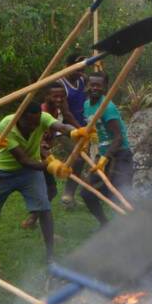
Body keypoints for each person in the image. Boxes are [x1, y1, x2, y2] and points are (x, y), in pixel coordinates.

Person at [0, 105, 77, 262]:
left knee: (44, 208)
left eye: (36, 124)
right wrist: (51, 166)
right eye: (30, 124)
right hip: (5, 172)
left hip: (31, 174)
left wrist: (76, 132)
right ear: (20, 118)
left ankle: (50, 254)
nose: (34, 127)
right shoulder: (6, 125)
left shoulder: (42, 117)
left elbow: (62, 126)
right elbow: (23, 160)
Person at [82, 72, 134, 226]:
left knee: (122, 195)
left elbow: (118, 137)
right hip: (101, 156)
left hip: (119, 155)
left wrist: (106, 158)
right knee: (87, 193)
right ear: (87, 86)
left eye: (99, 85)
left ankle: (129, 228)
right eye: (92, 84)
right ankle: (105, 225)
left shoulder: (108, 107)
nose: (95, 88)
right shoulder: (86, 105)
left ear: (105, 88)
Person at [22, 82, 74, 229]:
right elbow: (36, 139)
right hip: (34, 157)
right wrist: (49, 158)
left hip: (42, 156)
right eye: (55, 96)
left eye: (62, 96)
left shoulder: (55, 110)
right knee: (46, 190)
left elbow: (63, 125)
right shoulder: (41, 112)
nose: (59, 99)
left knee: (49, 190)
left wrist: (78, 132)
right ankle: (36, 221)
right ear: (46, 96)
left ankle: (32, 220)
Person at [58, 54, 88, 209]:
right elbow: (66, 112)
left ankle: (70, 196)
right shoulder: (60, 84)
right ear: (68, 66)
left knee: (80, 161)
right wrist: (79, 128)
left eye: (83, 69)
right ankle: (67, 195)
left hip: (81, 127)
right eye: (78, 69)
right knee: (78, 159)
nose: (81, 73)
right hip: (64, 128)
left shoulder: (82, 80)